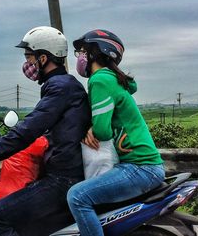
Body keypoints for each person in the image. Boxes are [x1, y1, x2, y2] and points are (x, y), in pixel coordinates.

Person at [0, 26, 91, 236]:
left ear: (44, 58)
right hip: (63, 172)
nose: (27, 63)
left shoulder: (60, 88)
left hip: (63, 179)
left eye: (29, 57)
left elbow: (27, 130)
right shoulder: (63, 86)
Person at [67, 29, 165, 236]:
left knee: (77, 197)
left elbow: (102, 131)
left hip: (139, 167)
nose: (80, 57)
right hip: (145, 166)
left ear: (97, 52)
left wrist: (91, 129)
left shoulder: (100, 80)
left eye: (83, 51)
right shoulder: (114, 79)